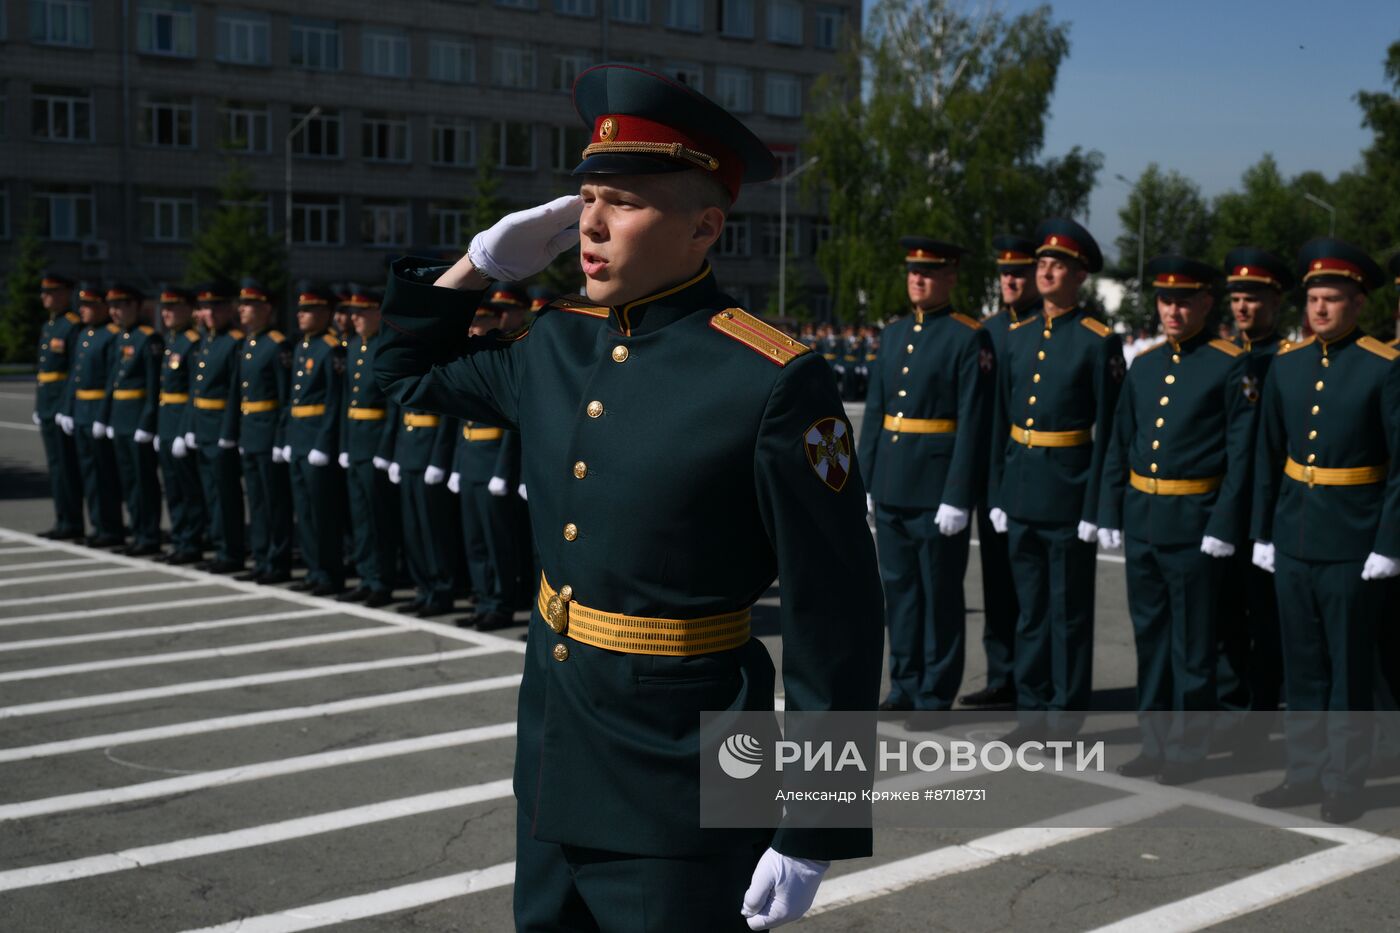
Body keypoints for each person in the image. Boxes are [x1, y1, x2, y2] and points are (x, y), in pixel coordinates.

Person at [373, 64, 883, 932]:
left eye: (626, 202)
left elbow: (836, 611)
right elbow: (397, 376)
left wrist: (812, 824)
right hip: (555, 754)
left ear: (704, 227)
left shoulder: (771, 379)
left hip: (688, 775)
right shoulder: (556, 344)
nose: (592, 226)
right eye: (586, 200)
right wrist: (480, 262)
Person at [1250, 238, 1400, 824]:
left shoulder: (1383, 368)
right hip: (1295, 536)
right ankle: (1303, 772)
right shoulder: (1286, 364)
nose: (1319, 309)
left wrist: (1388, 543)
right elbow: (1268, 456)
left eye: (1332, 299)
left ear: (1358, 303)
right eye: (1313, 298)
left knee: (1348, 668)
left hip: (1353, 542)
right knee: (1302, 664)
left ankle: (1344, 780)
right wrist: (1264, 533)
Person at [1097, 257, 1256, 783]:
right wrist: (1110, 511)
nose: (1173, 310)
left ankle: (1188, 749)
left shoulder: (1230, 364)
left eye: (1184, 300)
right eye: (1166, 300)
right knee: (1152, 640)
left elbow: (1241, 456)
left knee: (1192, 645)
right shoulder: (1144, 365)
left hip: (1194, 524)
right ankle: (1155, 742)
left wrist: (1221, 525)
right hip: (1144, 520)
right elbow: (1121, 443)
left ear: (1207, 303)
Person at [987, 219, 1124, 740]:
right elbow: (1004, 421)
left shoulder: (1097, 342)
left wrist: (1098, 506)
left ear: (1080, 275)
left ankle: (1065, 716)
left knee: (1067, 614)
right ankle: (1032, 709)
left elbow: (1109, 432)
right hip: (1022, 491)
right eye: (1042, 263)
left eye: (1057, 264)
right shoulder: (1018, 338)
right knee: (1031, 612)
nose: (1045, 270)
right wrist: (1000, 491)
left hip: (1069, 493)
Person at [857, 237, 991, 717]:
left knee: (939, 597)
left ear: (950, 278)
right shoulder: (892, 335)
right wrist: (864, 481)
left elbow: (972, 423)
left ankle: (935, 694)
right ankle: (904, 685)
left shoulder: (966, 336)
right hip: (892, 486)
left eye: (929, 272)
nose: (917, 279)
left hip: (937, 492)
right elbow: (876, 414)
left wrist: (958, 495)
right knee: (901, 595)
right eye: (913, 270)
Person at [1214, 247, 1294, 725]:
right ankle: (1230, 701)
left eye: (1253, 298)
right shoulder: (1226, 358)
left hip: (1265, 508)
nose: (1243, 307)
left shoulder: (1287, 359)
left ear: (1276, 302)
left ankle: (1260, 704)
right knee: (1223, 615)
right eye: (1237, 298)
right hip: (1221, 505)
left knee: (1263, 616)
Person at [961, 235, 1039, 708]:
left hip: (1031, 473)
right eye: (1004, 273)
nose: (1010, 280)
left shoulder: (1042, 327)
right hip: (991, 475)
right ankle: (1000, 673)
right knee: (995, 580)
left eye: (1019, 273)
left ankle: (1032, 677)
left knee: (1031, 587)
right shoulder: (986, 329)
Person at [447, 283, 527, 632]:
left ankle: (500, 602)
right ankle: (482, 598)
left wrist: (503, 470)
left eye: (480, 321)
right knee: (475, 540)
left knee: (498, 542)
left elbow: (515, 423)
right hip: (470, 460)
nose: (473, 328)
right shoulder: (471, 359)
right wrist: (455, 464)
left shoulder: (505, 359)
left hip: (494, 460)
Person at [336, 284, 399, 607]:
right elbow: (348, 399)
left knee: (378, 518)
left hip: (375, 444)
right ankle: (365, 575)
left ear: (378, 313)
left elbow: (392, 407)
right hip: (356, 442)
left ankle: (381, 579)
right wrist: (345, 445)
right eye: (353, 313)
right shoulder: (352, 348)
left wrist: (386, 450)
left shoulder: (384, 348)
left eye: (362, 313)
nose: (355, 319)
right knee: (359, 515)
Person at [284, 283, 346, 596]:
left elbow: (334, 402)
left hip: (317, 440)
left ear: (325, 313)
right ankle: (313, 568)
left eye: (308, 310)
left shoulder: (332, 348)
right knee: (304, 511)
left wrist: (323, 443)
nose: (301, 315)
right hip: (298, 437)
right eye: (300, 310)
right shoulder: (302, 346)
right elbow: (292, 398)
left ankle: (329, 573)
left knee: (323, 513)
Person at [230, 279, 294, 585]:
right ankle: (261, 556)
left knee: (274, 502)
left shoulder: (277, 345)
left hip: (269, 434)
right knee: (255, 500)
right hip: (250, 433)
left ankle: (277, 561)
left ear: (266, 309)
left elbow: (285, 400)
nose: (242, 310)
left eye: (249, 305)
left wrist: (281, 439)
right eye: (242, 305)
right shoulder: (248, 344)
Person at [184, 281, 246, 574]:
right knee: (210, 492)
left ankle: (230, 552)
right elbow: (196, 391)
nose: (206, 314)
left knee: (225, 496)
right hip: (203, 428)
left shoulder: (233, 342)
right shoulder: (206, 342)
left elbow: (234, 393)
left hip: (221, 429)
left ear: (225, 310)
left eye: (212, 308)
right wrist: (191, 427)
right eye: (203, 308)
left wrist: (227, 434)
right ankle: (218, 544)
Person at [105, 283, 164, 556]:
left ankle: (149, 534)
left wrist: (147, 422)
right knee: (128, 481)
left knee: (144, 482)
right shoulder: (121, 337)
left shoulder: (148, 339)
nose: (114, 312)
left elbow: (153, 389)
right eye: (112, 307)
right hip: (120, 418)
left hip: (138, 418)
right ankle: (137, 530)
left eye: (120, 306)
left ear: (135, 307)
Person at [65, 282, 125, 547]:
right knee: (88, 472)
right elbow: (75, 377)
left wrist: (103, 416)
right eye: (82, 305)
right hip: (81, 412)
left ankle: (110, 527)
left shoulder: (111, 336)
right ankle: (98, 525)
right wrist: (67, 409)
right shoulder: (84, 334)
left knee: (104, 475)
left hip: (98, 412)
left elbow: (112, 380)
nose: (83, 310)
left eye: (89, 305)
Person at [153, 285, 207, 564]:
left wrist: (185, 430)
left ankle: (191, 541)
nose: (167, 314)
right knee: (172, 488)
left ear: (188, 310)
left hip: (181, 425)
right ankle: (179, 537)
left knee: (188, 489)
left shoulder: (192, 342)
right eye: (164, 309)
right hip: (167, 423)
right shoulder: (172, 341)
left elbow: (192, 392)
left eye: (173, 308)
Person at [34, 272, 85, 541]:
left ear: (65, 294)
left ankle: (73, 522)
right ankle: (62, 518)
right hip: (47, 405)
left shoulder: (71, 326)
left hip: (61, 407)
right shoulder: (50, 326)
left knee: (67, 468)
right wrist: (39, 404)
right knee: (55, 466)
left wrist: (65, 407)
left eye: (50, 292)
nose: (44, 297)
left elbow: (72, 372)